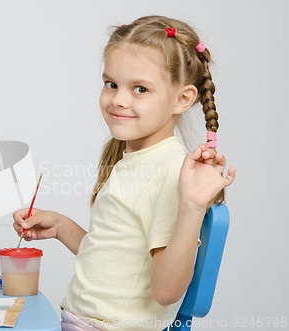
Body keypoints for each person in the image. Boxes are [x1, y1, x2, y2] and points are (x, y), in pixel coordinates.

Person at [13, 15, 235, 331]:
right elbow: (118, 258)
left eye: (140, 89)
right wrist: (62, 227)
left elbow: (166, 291)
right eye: (111, 84)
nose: (118, 99)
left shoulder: (169, 171)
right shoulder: (138, 159)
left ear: (182, 99)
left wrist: (191, 206)